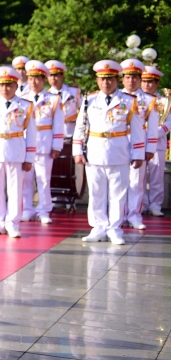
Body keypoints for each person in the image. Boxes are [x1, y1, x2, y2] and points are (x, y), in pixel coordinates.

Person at [72, 60, 146, 245]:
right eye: (102, 79)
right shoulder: (89, 100)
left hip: (119, 151)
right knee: (96, 193)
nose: (106, 83)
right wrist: (77, 150)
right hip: (94, 151)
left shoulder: (129, 101)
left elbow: (137, 131)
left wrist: (138, 154)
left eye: (110, 79)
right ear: (97, 80)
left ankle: (115, 229)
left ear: (117, 80)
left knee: (118, 194)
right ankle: (98, 227)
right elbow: (80, 127)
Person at [0, 67, 38, 238]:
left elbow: (32, 134)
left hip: (16, 151)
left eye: (9, 85)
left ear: (15, 85)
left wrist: (29, 158)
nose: (5, 88)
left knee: (15, 189)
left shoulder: (25, 105)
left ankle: (12, 223)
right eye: (2, 85)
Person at [18, 61, 66, 224]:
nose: (33, 82)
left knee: (44, 180)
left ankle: (44, 210)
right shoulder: (22, 98)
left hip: (45, 144)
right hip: (25, 145)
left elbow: (58, 124)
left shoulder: (53, 99)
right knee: (26, 179)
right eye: (31, 78)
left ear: (44, 79)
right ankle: (27, 209)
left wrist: (57, 146)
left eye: (37, 78)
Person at [120, 59, 157, 230]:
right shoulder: (116, 97)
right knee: (118, 182)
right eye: (128, 77)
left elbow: (153, 128)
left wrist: (149, 149)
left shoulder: (149, 101)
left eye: (135, 77)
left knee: (136, 182)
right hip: (118, 143)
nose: (131, 81)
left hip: (138, 144)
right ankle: (118, 215)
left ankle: (134, 215)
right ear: (122, 79)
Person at [142, 66, 170, 216]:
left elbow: (168, 122)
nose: (147, 85)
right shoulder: (135, 99)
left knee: (157, 176)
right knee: (138, 177)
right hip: (139, 143)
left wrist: (155, 133)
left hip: (157, 143)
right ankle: (142, 204)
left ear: (157, 83)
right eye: (144, 81)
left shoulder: (165, 101)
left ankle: (155, 205)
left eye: (151, 82)